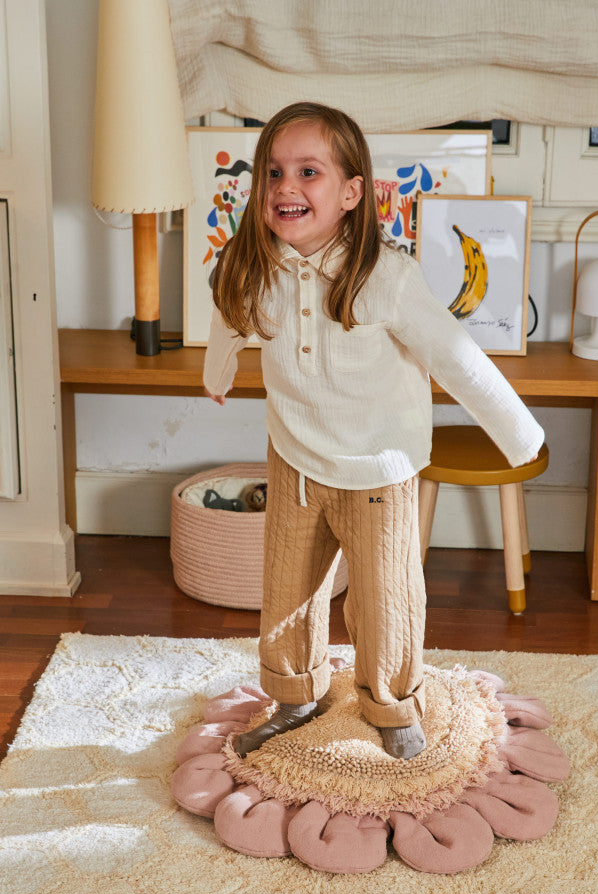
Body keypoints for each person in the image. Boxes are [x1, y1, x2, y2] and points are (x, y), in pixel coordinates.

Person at [203, 102, 544, 761]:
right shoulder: (253, 264)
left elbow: (458, 359)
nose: (285, 187)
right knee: (287, 592)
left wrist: (520, 436)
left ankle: (390, 704)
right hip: (297, 458)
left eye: (308, 171)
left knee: (385, 602)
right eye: (273, 172)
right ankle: (296, 692)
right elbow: (227, 314)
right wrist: (217, 374)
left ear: (352, 192)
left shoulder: (386, 279)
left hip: (379, 470)